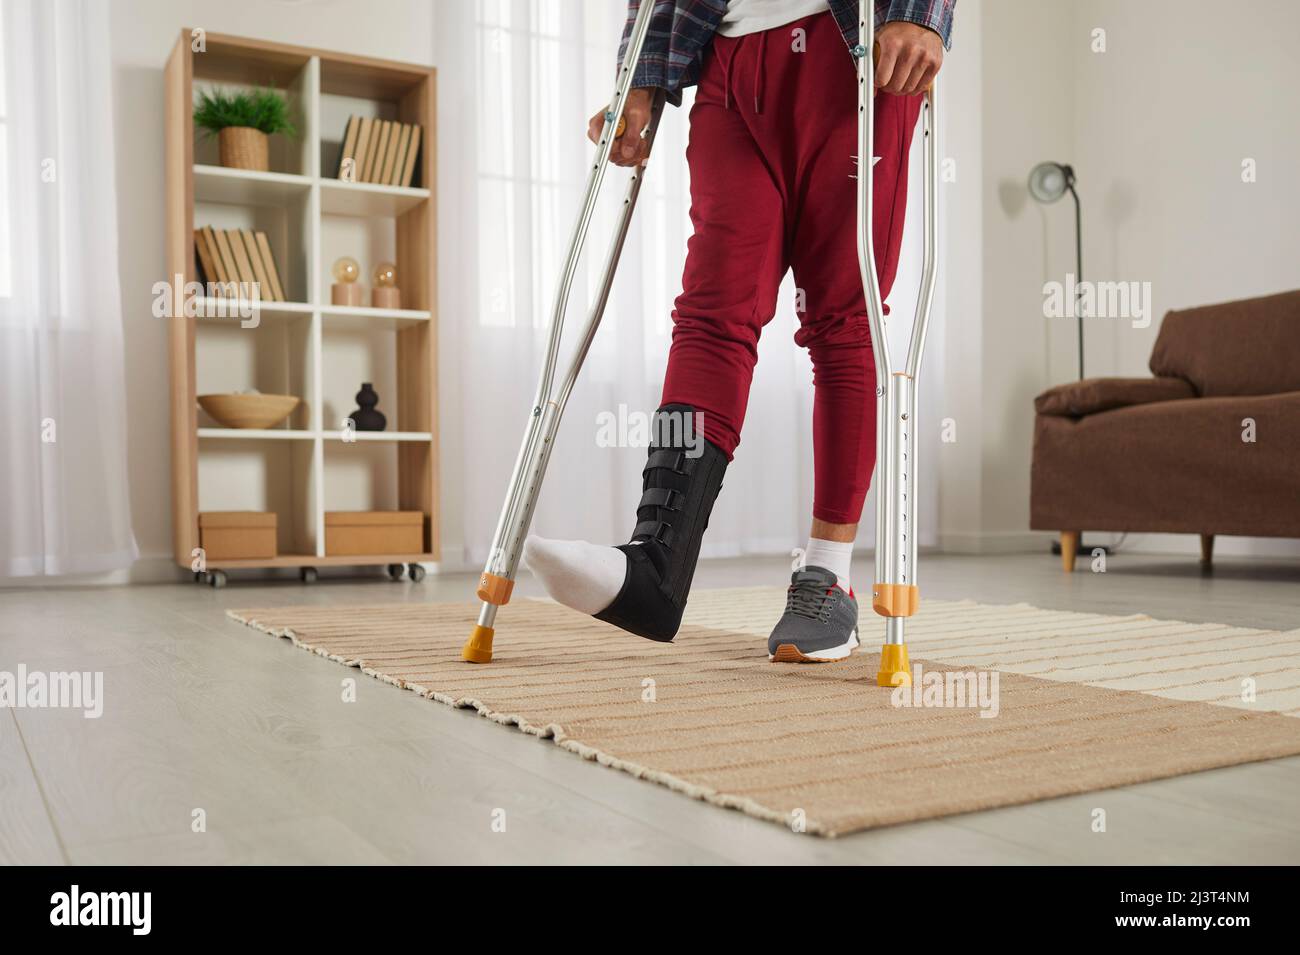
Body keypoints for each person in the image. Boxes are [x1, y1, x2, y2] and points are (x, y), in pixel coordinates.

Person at [524, 0, 954, 662]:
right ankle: (656, 566)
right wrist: (639, 77)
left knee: (842, 318)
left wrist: (922, 10)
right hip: (728, 62)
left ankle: (826, 575)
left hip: (858, 44)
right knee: (709, 313)